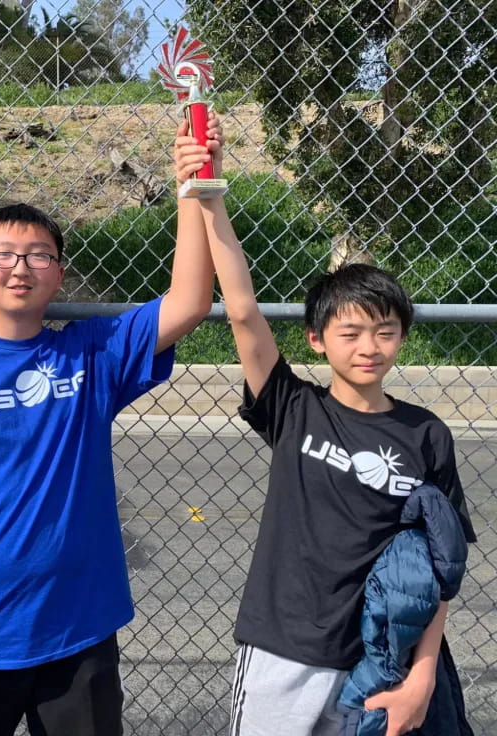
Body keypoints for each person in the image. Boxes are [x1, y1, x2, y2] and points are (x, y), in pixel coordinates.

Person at [0, 116, 220, 735]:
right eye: (3, 254)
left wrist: (193, 187)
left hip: (78, 632)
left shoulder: (90, 355)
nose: (20, 266)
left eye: (39, 255)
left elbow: (191, 301)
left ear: (59, 274)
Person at [189, 138, 477, 736]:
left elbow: (439, 563)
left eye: (384, 331)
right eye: (350, 333)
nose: (369, 347)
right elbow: (242, 309)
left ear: (402, 337)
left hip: (378, 658)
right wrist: (210, 198)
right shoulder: (294, 407)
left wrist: (421, 676)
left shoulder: (426, 434)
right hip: (282, 649)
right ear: (317, 339)